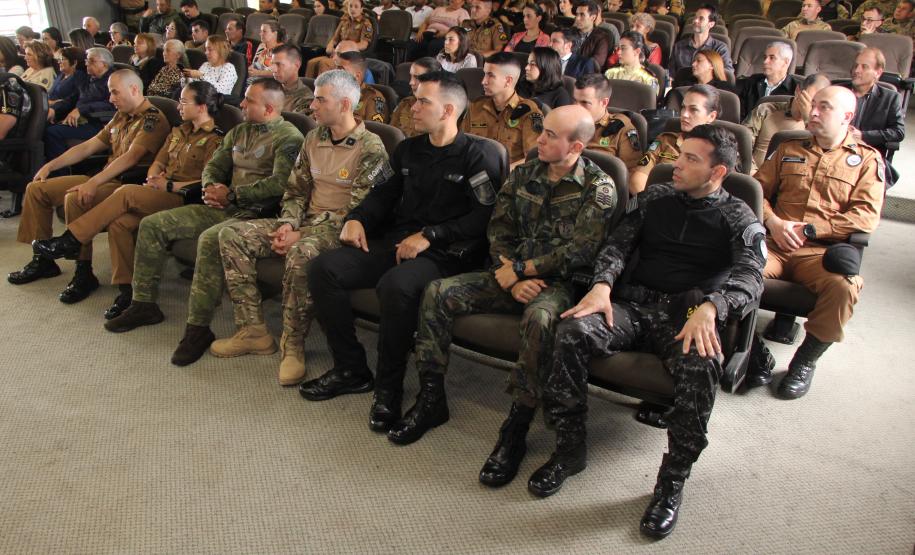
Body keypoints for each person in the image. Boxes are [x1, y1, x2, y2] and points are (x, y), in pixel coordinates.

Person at [538, 124, 765, 539]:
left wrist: (714, 307)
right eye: (679, 154)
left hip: (687, 313)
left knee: (701, 365)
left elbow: (752, 277)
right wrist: (603, 284)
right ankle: (569, 449)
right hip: (634, 304)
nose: (675, 164)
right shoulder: (656, 197)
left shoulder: (738, 216)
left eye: (690, 159)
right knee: (572, 331)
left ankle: (671, 483)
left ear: (717, 173)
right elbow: (617, 245)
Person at [392, 105, 616, 465]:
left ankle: (517, 425)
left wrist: (522, 269)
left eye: (550, 136)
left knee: (540, 321)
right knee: (438, 292)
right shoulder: (525, 173)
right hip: (508, 273)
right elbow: (498, 229)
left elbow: (581, 251)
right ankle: (431, 398)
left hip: (556, 284)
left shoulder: (598, 187)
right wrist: (507, 274)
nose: (538, 139)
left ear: (575, 147)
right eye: (542, 130)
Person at [298, 71, 503, 408]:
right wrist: (356, 219)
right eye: (414, 99)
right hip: (397, 239)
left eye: (423, 101)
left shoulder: (479, 155)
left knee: (396, 286)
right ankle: (351, 368)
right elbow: (382, 194)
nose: (413, 107)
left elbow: (483, 216)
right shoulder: (408, 149)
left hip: (446, 252)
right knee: (324, 268)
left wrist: (431, 235)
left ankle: (389, 387)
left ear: (449, 111)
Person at [104, 78, 305, 368]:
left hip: (258, 215)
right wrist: (212, 188)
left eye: (249, 101)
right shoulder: (240, 131)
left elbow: (280, 185)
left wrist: (233, 194)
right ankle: (143, 303)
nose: (242, 104)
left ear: (270, 107)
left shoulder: (289, 138)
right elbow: (214, 165)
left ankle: (197, 328)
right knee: (153, 225)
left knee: (210, 239)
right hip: (223, 207)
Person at [212, 70, 389, 385]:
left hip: (341, 231)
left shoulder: (371, 148)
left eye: (321, 99)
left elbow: (360, 213)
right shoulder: (313, 138)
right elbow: (295, 192)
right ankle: (253, 330)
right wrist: (287, 223)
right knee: (232, 234)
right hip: (304, 223)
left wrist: (300, 234)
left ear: (345, 104)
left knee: (300, 252)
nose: (312, 106)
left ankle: (292, 343)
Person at [31, 81, 225, 319]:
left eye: (184, 102)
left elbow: (207, 182)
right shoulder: (178, 131)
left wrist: (169, 185)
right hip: (157, 190)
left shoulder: (216, 140)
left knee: (125, 193)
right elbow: (159, 161)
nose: (179, 107)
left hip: (182, 198)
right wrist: (155, 175)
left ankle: (72, 238)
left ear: (202, 106)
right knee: (119, 223)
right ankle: (127, 289)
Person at [748, 86, 884, 399]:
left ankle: (804, 362)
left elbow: (864, 218)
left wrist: (812, 230)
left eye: (824, 108)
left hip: (820, 254)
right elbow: (756, 191)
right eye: (814, 106)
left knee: (845, 287)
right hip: (776, 244)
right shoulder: (789, 149)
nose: (814, 112)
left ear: (847, 117)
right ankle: (753, 350)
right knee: (732, 271)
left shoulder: (865, 161)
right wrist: (774, 222)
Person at [8, 70, 171, 304]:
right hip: (103, 177)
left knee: (75, 197)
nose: (110, 98)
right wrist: (50, 166)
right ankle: (42, 262)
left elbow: (131, 158)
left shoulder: (153, 119)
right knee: (37, 189)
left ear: (134, 90)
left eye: (115, 92)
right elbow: (88, 146)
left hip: (125, 184)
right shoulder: (121, 116)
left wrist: (93, 182)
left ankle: (83, 272)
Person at [629, 84, 719, 194]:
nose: (684, 114)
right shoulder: (665, 140)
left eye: (693, 110)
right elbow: (638, 178)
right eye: (683, 108)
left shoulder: (719, 150)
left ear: (711, 116)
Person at [461, 52, 544, 165]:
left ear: (508, 81)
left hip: (508, 177)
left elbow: (533, 159)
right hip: (474, 172)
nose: (483, 81)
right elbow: (462, 144)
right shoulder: (476, 107)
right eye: (484, 74)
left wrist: (503, 173)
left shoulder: (529, 113)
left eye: (490, 75)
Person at [843, 47, 905, 186]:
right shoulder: (837, 90)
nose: (856, 70)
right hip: (835, 152)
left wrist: (863, 135)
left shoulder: (890, 98)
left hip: (867, 156)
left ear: (878, 72)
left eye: (864, 67)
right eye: (855, 65)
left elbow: (898, 132)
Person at [744, 72, 830, 172]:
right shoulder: (767, 110)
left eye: (820, 105)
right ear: (798, 91)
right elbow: (742, 147)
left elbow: (818, 162)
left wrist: (808, 120)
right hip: (756, 175)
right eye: (811, 101)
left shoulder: (822, 128)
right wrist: (755, 178)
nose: (813, 109)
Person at [43, 48, 116, 162]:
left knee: (52, 133)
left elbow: (111, 105)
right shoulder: (88, 79)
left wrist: (81, 109)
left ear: (104, 64)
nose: (87, 64)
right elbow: (72, 98)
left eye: (91, 61)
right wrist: (54, 109)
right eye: (87, 60)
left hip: (100, 123)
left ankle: (60, 174)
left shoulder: (113, 80)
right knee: (43, 126)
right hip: (82, 119)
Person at [572, 74, 642, 173]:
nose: (577, 107)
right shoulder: (566, 120)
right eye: (575, 101)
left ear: (604, 102)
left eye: (584, 103)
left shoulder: (620, 128)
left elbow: (631, 171)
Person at [734, 41, 797, 120]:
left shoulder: (795, 90)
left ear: (785, 62)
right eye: (765, 57)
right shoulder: (752, 81)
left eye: (772, 58)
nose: (765, 61)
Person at [669, 4, 733, 76]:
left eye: (701, 18)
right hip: (683, 86)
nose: (695, 20)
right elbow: (671, 74)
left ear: (711, 24)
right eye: (695, 17)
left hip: (710, 86)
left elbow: (728, 75)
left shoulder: (720, 48)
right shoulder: (679, 46)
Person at [391, 57, 442, 137]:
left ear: (433, 80)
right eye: (411, 76)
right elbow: (391, 135)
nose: (411, 82)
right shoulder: (405, 104)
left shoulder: (444, 109)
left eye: (417, 78)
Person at [337, 51, 389, 122]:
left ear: (357, 76)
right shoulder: (330, 92)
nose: (335, 74)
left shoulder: (373, 99)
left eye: (341, 71)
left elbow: (374, 130)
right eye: (335, 69)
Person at [604, 31, 660, 97]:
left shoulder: (648, 80)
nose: (618, 52)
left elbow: (650, 105)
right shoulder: (610, 74)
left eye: (623, 48)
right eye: (618, 48)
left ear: (637, 51)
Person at [47, 48, 89, 125]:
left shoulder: (79, 76)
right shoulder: (61, 75)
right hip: (48, 107)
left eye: (63, 59)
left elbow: (73, 99)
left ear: (74, 62)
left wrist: (53, 105)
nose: (59, 62)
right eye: (59, 59)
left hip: (60, 112)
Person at [271, 45, 315, 114]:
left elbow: (293, 123)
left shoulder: (305, 99)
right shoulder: (268, 88)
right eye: (272, 64)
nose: (273, 69)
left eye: (279, 65)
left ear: (296, 65)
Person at [574, 0, 614, 71]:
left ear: (593, 18)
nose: (577, 18)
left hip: (587, 77)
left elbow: (596, 63)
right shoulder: (570, 32)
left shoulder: (602, 37)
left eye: (582, 15)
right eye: (577, 14)